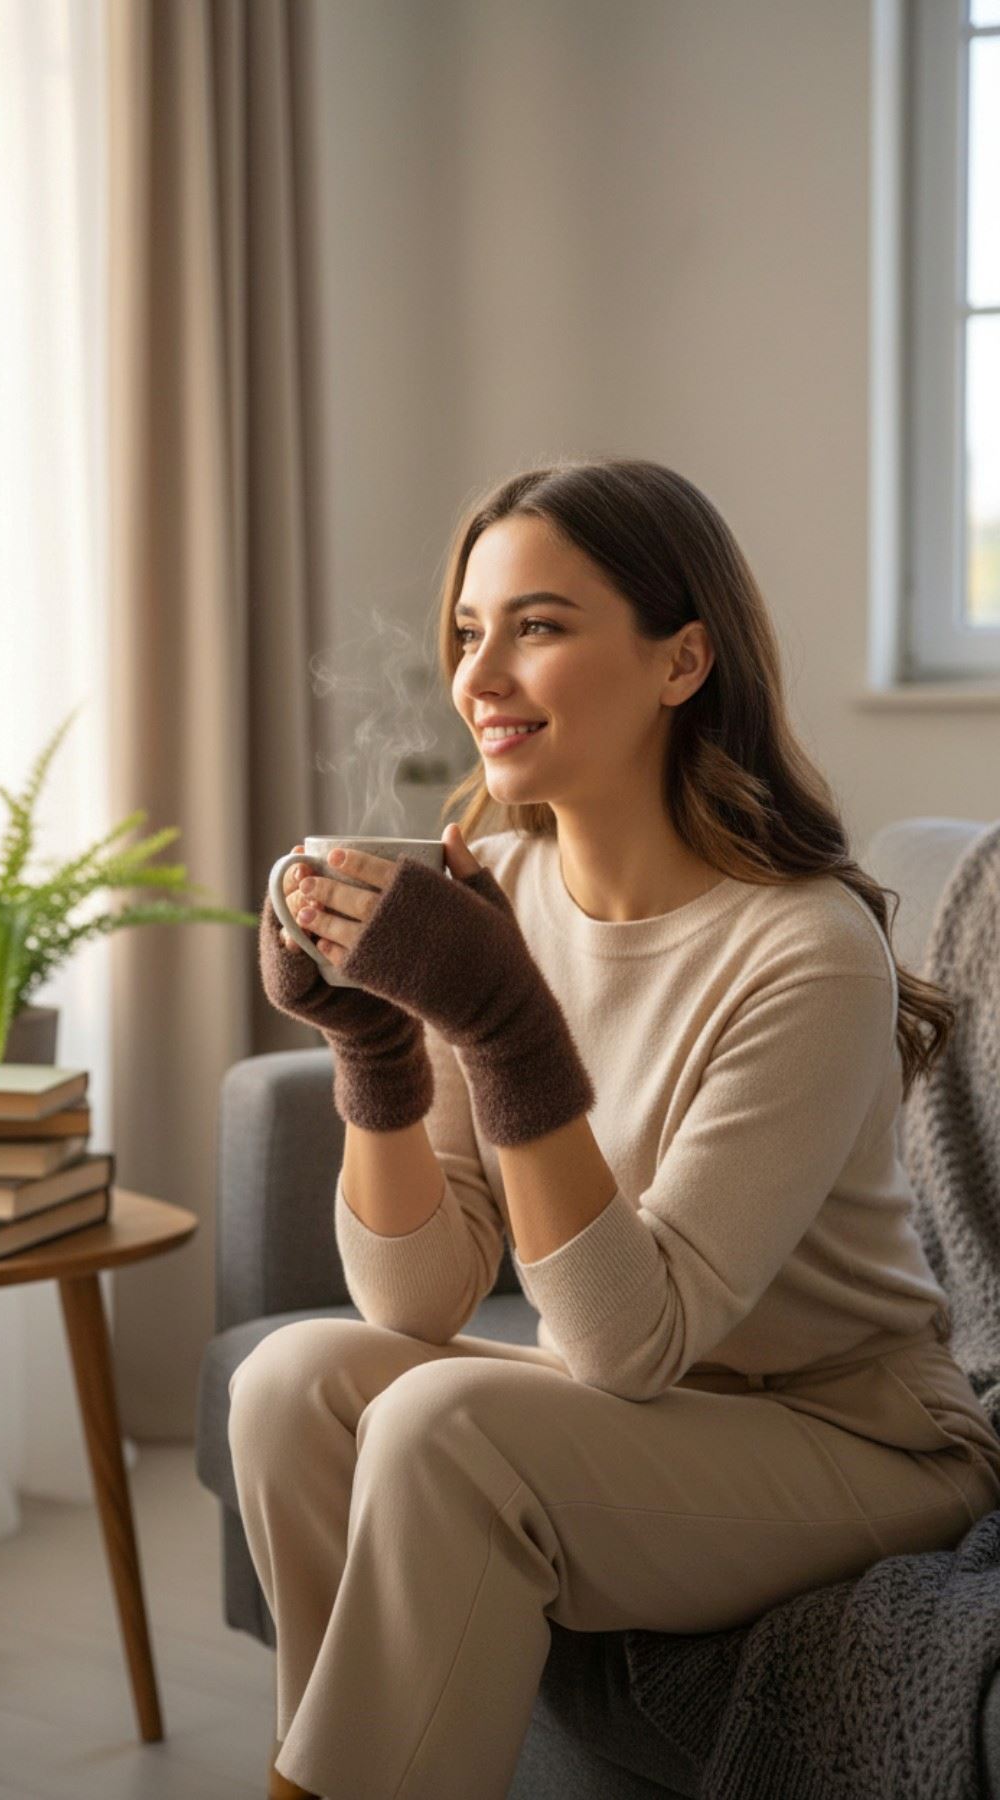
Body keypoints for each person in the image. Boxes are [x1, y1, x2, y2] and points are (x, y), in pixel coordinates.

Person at [234, 458, 1000, 1800]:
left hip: (860, 1437)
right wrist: (372, 1041)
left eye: (539, 624)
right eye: (470, 632)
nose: (479, 674)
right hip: (651, 1414)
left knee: (446, 1428)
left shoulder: (807, 950)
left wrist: (503, 1023)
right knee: (291, 1384)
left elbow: (624, 1342)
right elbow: (417, 1299)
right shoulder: (509, 890)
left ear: (681, 660)